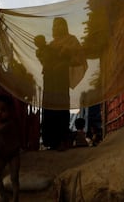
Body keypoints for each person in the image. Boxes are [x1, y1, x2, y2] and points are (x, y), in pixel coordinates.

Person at [35, 17, 86, 151]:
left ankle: (62, 139)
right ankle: (51, 140)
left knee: (61, 106)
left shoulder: (71, 40)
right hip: (50, 79)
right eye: (55, 26)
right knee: (49, 107)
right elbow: (45, 60)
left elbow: (79, 57)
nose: (56, 28)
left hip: (61, 79)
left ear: (65, 26)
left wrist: (66, 54)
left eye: (59, 25)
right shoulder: (50, 44)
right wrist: (41, 53)